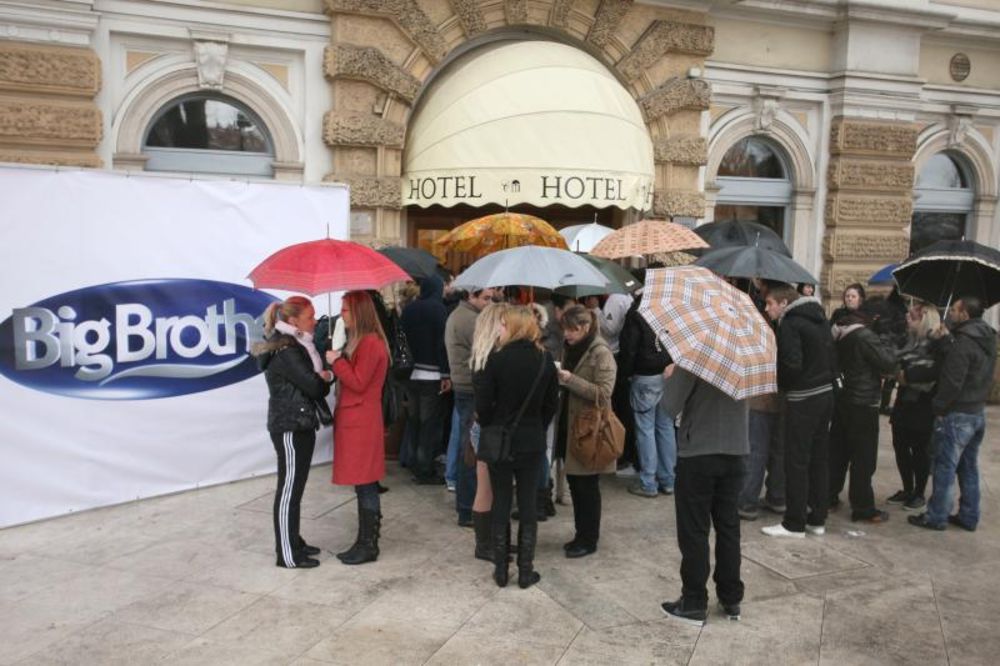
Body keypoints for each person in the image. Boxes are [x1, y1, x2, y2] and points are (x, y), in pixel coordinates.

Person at [476, 306, 559, 588]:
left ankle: (501, 570)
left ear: (513, 326)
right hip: (532, 440)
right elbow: (551, 404)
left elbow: (483, 405)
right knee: (526, 503)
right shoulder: (545, 359)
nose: (499, 328)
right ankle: (526, 570)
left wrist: (495, 424)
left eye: (502, 324)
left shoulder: (495, 359)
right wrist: (536, 425)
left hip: (500, 440)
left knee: (500, 501)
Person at [659, 364, 749, 626]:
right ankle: (731, 596)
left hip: (699, 452)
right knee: (728, 525)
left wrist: (671, 378)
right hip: (736, 450)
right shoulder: (743, 357)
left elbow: (669, 406)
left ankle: (694, 600)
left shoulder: (696, 360)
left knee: (694, 529)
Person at [253, 296, 333, 569]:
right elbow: (314, 387)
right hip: (290, 425)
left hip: (299, 423)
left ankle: (294, 541)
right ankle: (286, 554)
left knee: (295, 488)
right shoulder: (287, 350)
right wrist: (326, 378)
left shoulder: (295, 345)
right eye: (309, 317)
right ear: (293, 321)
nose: (314, 322)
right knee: (289, 490)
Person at [909, 296, 997, 532]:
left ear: (965, 315)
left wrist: (939, 407)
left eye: (956, 310)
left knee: (944, 466)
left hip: (957, 413)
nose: (952, 314)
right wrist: (945, 340)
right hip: (977, 410)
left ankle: (937, 515)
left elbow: (953, 380)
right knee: (968, 467)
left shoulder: (964, 342)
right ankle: (969, 515)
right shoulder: (986, 337)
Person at [761, 284, 837, 539]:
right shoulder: (819, 317)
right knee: (819, 458)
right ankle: (817, 518)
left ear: (784, 303)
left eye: (770, 303)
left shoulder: (790, 323)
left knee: (796, 460)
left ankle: (794, 523)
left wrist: (778, 381)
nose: (767, 308)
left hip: (803, 398)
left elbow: (791, 364)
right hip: (824, 394)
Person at [325, 291, 390, 565]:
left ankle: (368, 544)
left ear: (359, 313)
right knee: (363, 483)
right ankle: (365, 541)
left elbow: (359, 381)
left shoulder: (371, 344)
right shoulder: (361, 342)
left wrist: (336, 361)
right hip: (357, 418)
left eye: (346, 310)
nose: (342, 314)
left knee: (365, 483)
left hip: (361, 420)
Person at [828, 301, 897, 523]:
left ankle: (827, 497)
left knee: (838, 453)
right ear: (875, 318)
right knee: (863, 458)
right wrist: (886, 340)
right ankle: (863, 506)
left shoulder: (840, 330)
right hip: (863, 402)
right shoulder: (865, 336)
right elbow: (888, 363)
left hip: (844, 399)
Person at [557, 305, 617, 558]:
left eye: (571, 330)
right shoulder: (571, 348)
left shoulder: (601, 353)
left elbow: (604, 393)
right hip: (570, 423)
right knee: (575, 483)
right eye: (564, 330)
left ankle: (588, 538)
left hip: (590, 429)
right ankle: (580, 534)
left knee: (587, 487)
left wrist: (570, 380)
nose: (567, 335)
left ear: (583, 327)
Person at [618, 288, 676, 498]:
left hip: (644, 375)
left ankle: (648, 482)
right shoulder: (669, 308)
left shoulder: (637, 312)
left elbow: (629, 348)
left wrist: (625, 373)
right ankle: (668, 479)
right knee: (665, 426)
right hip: (668, 374)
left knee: (645, 429)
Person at [445, 287, 495, 526]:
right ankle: (467, 508)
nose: (489, 302)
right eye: (485, 298)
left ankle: (468, 506)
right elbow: (487, 349)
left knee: (469, 446)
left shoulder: (463, 315)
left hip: (465, 385)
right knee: (471, 450)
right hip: (470, 387)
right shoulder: (469, 319)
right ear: (470, 296)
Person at [887, 301, 941, 511]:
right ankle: (907, 488)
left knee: (919, 450)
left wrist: (906, 376)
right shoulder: (910, 342)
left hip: (922, 405)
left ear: (925, 319)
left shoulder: (936, 345)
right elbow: (895, 364)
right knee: (900, 446)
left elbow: (931, 377)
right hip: (904, 402)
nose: (907, 319)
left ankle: (919, 492)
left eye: (913, 317)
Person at [400, 275, 451, 484]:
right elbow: (442, 344)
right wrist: (446, 374)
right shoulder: (438, 310)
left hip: (410, 373)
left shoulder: (410, 309)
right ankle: (424, 469)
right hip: (431, 374)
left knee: (414, 421)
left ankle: (413, 462)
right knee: (429, 424)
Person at [469, 303, 509, 561]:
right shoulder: (487, 359)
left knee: (496, 489)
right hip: (487, 429)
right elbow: (485, 404)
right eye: (505, 322)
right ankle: (484, 545)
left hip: (488, 428)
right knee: (486, 489)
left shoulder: (486, 356)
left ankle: (495, 540)